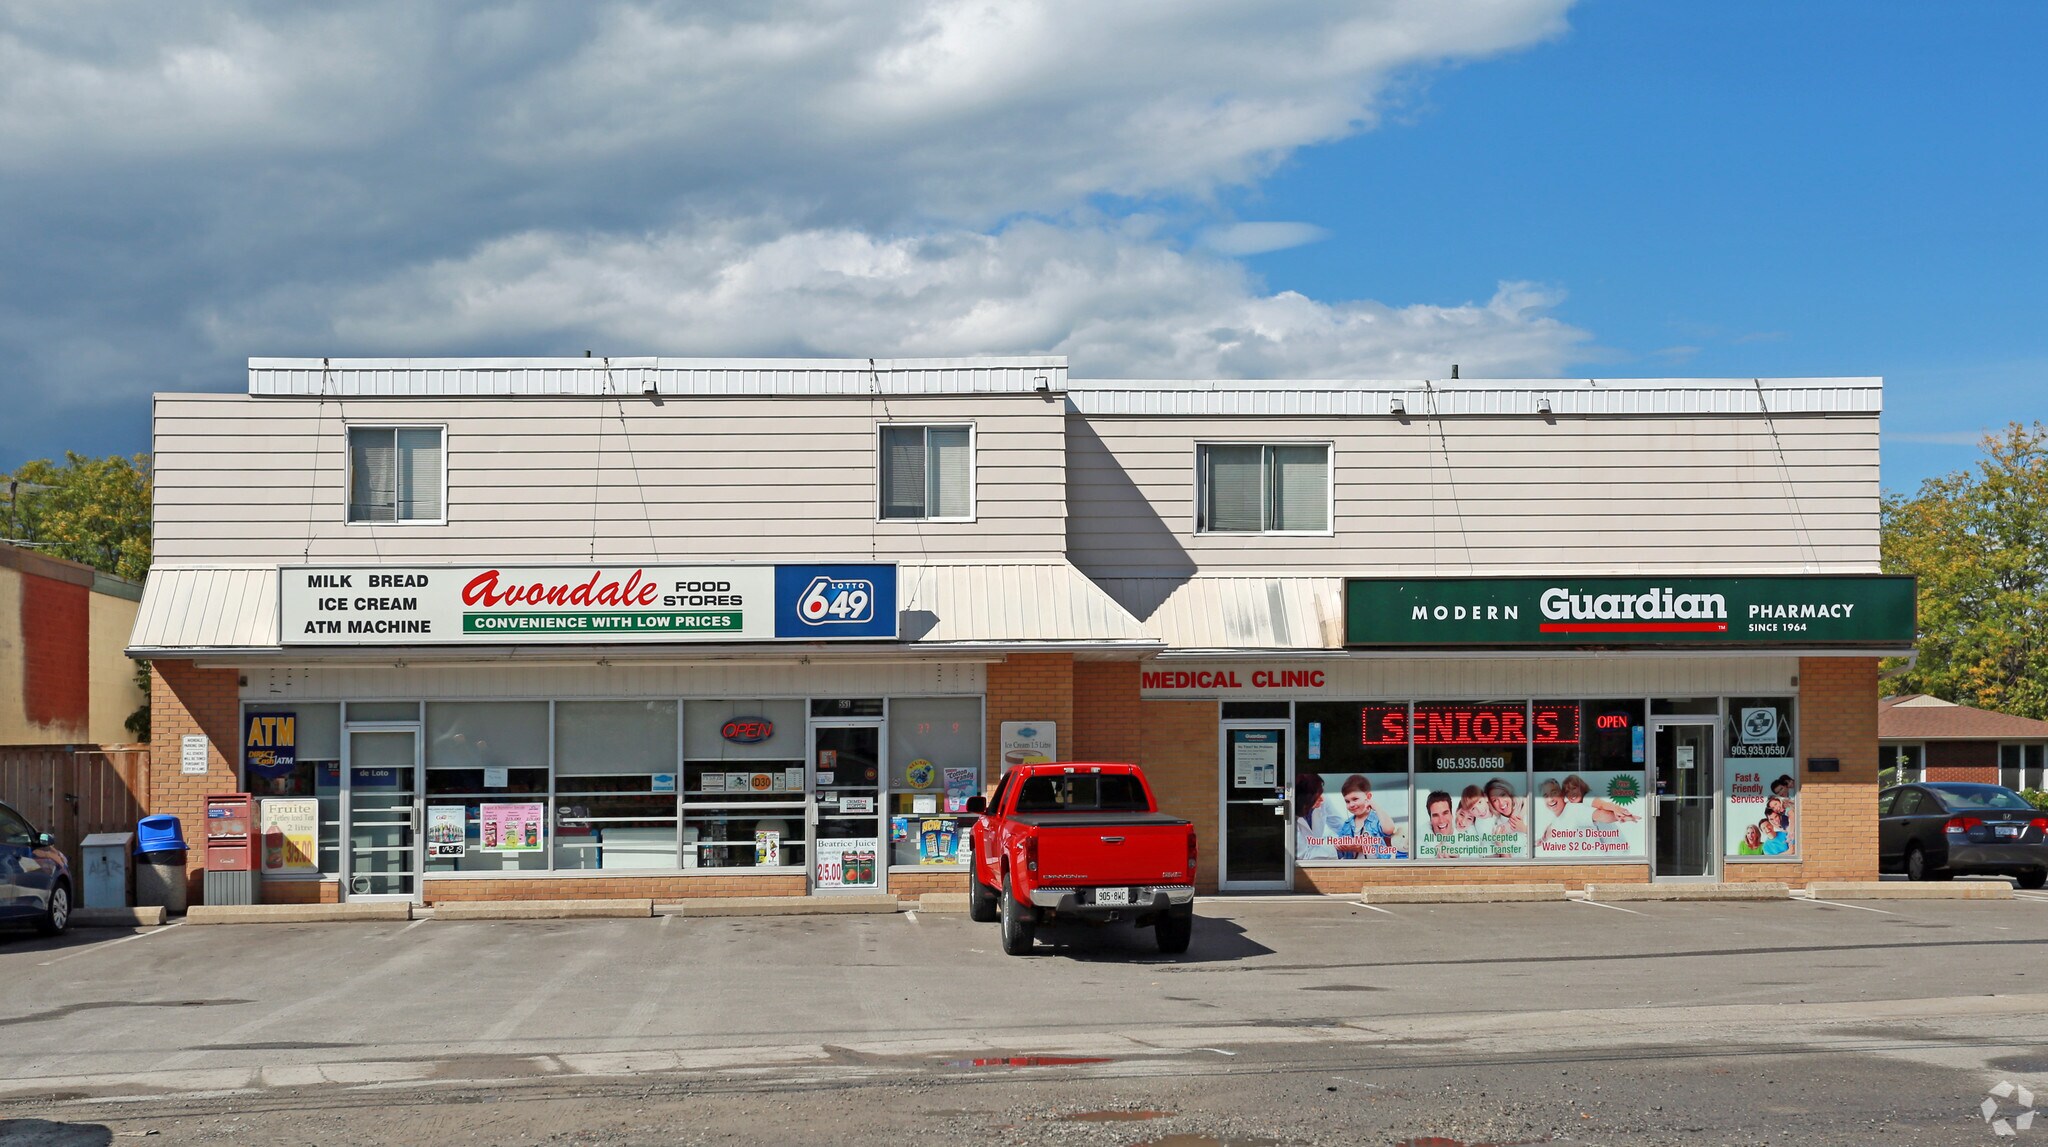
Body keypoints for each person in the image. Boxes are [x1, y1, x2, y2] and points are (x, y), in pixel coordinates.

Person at [1332, 775, 1402, 859]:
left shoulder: (1377, 819)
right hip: (1353, 869)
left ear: (1368, 797)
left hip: (1376, 868)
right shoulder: (1347, 824)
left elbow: (1389, 829)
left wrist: (1376, 807)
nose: (1351, 804)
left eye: (1355, 799)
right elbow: (1340, 852)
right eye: (1347, 801)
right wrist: (1339, 846)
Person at [1294, 772, 1337, 860]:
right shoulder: (1290, 819)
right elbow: (1304, 855)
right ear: (1305, 799)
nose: (1322, 799)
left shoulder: (1322, 799)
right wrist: (1340, 850)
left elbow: (1339, 825)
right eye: (1316, 797)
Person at [1421, 790, 1457, 858]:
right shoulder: (1422, 840)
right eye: (1435, 815)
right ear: (1430, 820)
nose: (1441, 820)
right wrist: (1437, 846)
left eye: (1445, 813)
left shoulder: (1465, 831)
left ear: (1451, 815)